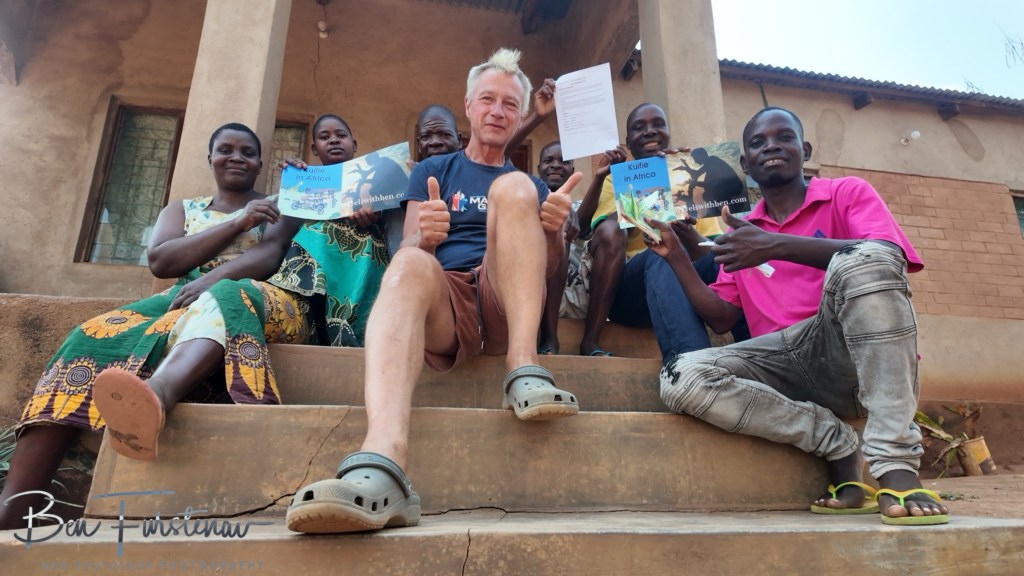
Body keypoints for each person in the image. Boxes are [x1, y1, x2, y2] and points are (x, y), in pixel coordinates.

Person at [285, 48, 580, 534]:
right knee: (407, 264)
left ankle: (524, 369)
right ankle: (383, 462)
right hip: (448, 306)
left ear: (519, 115)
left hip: (504, 302)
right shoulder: (432, 173)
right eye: (488, 99)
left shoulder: (527, 184)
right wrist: (426, 237)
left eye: (510, 104)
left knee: (513, 189)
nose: (497, 111)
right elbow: (408, 249)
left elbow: (548, 273)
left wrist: (554, 233)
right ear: (468, 105)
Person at [0, 123, 313, 529]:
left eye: (248, 152)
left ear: (259, 164)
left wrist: (210, 281)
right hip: (180, 299)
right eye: (226, 149)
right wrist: (237, 223)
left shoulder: (275, 204)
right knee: (90, 335)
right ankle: (16, 501)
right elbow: (162, 262)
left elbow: (271, 254)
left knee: (226, 296)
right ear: (211, 158)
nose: (237, 157)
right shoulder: (182, 209)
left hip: (252, 296)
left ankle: (153, 398)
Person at [647, 107, 948, 525]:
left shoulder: (846, 192)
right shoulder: (741, 231)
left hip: (852, 355)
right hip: (784, 365)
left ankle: (895, 464)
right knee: (680, 376)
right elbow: (720, 318)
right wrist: (678, 259)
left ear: (804, 149)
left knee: (867, 258)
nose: (770, 145)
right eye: (757, 143)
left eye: (783, 137)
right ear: (747, 166)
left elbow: (889, 259)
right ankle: (835, 442)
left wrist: (774, 245)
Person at [576, 103, 743, 361]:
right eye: (639, 128)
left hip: (689, 281)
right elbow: (602, 229)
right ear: (628, 143)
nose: (650, 131)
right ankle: (689, 363)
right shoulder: (614, 179)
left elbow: (709, 251)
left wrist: (685, 231)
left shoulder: (687, 177)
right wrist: (652, 187)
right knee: (663, 251)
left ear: (667, 134)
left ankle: (758, 351)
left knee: (736, 254)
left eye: (658, 124)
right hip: (631, 291)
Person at [270, 114, 392, 347]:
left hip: (363, 253)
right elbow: (287, 214)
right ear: (314, 149)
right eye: (325, 137)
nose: (334, 140)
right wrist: (293, 178)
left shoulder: (378, 178)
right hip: (318, 250)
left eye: (341, 135)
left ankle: (348, 334)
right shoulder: (304, 178)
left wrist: (374, 215)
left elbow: (390, 215)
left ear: (354, 145)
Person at [535, 140, 580, 355]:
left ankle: (551, 337)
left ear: (573, 170)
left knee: (558, 226)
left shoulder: (579, 206)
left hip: (568, 284)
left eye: (563, 161)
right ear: (538, 170)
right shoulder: (526, 201)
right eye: (548, 161)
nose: (555, 165)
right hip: (534, 276)